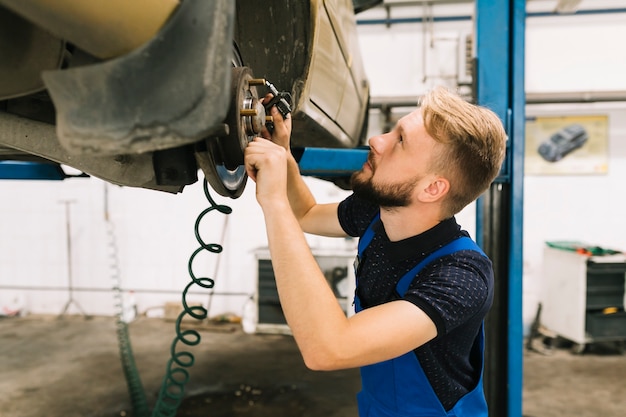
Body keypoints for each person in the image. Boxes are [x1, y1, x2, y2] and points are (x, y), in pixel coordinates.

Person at [244, 86, 507, 417]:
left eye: (400, 141)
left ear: (432, 188)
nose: (377, 141)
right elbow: (306, 213)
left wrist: (273, 202)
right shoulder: (378, 212)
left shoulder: (461, 278)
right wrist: (282, 155)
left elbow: (329, 349)